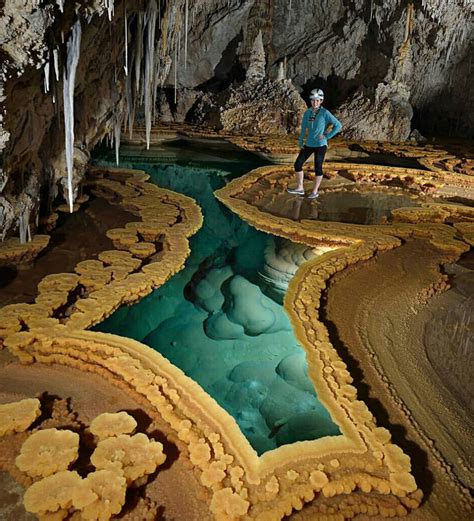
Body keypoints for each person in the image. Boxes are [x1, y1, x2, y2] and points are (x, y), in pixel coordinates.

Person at [287, 89, 342, 199]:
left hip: (321, 145)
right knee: (298, 164)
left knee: (318, 167)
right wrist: (301, 141)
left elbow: (338, 125)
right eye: (313, 100)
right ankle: (300, 188)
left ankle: (315, 191)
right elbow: (303, 128)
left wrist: (327, 136)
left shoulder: (325, 113)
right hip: (308, 144)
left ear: (321, 100)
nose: (315, 103)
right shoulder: (307, 112)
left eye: (317, 100)